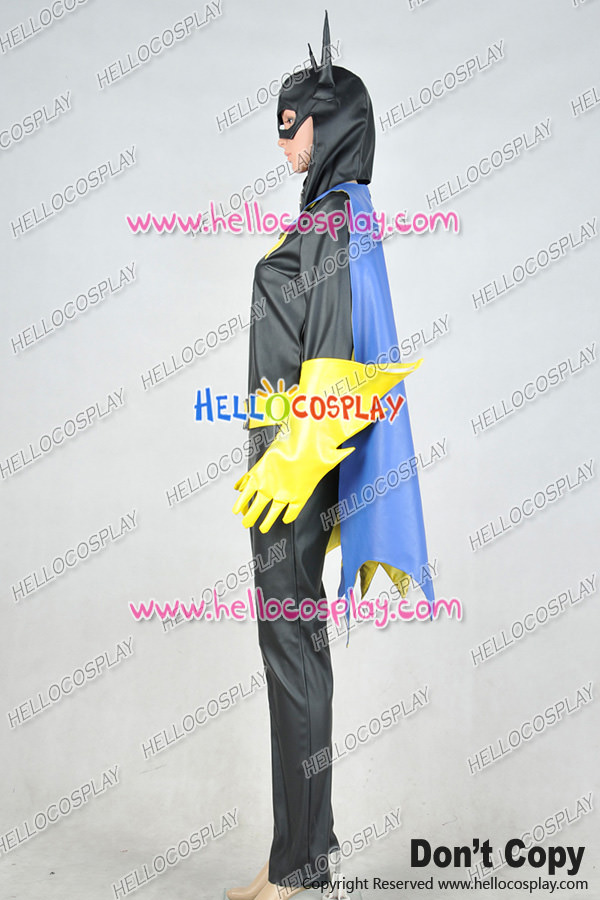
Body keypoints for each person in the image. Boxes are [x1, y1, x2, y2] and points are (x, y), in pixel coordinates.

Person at [229, 12, 434, 900]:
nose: (283, 141)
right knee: (295, 649)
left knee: (292, 651)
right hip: (285, 463)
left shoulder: (336, 222)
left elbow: (340, 360)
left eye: (291, 123)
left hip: (291, 473)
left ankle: (300, 868)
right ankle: (299, 852)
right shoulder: (332, 217)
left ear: (329, 122)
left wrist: (285, 465)